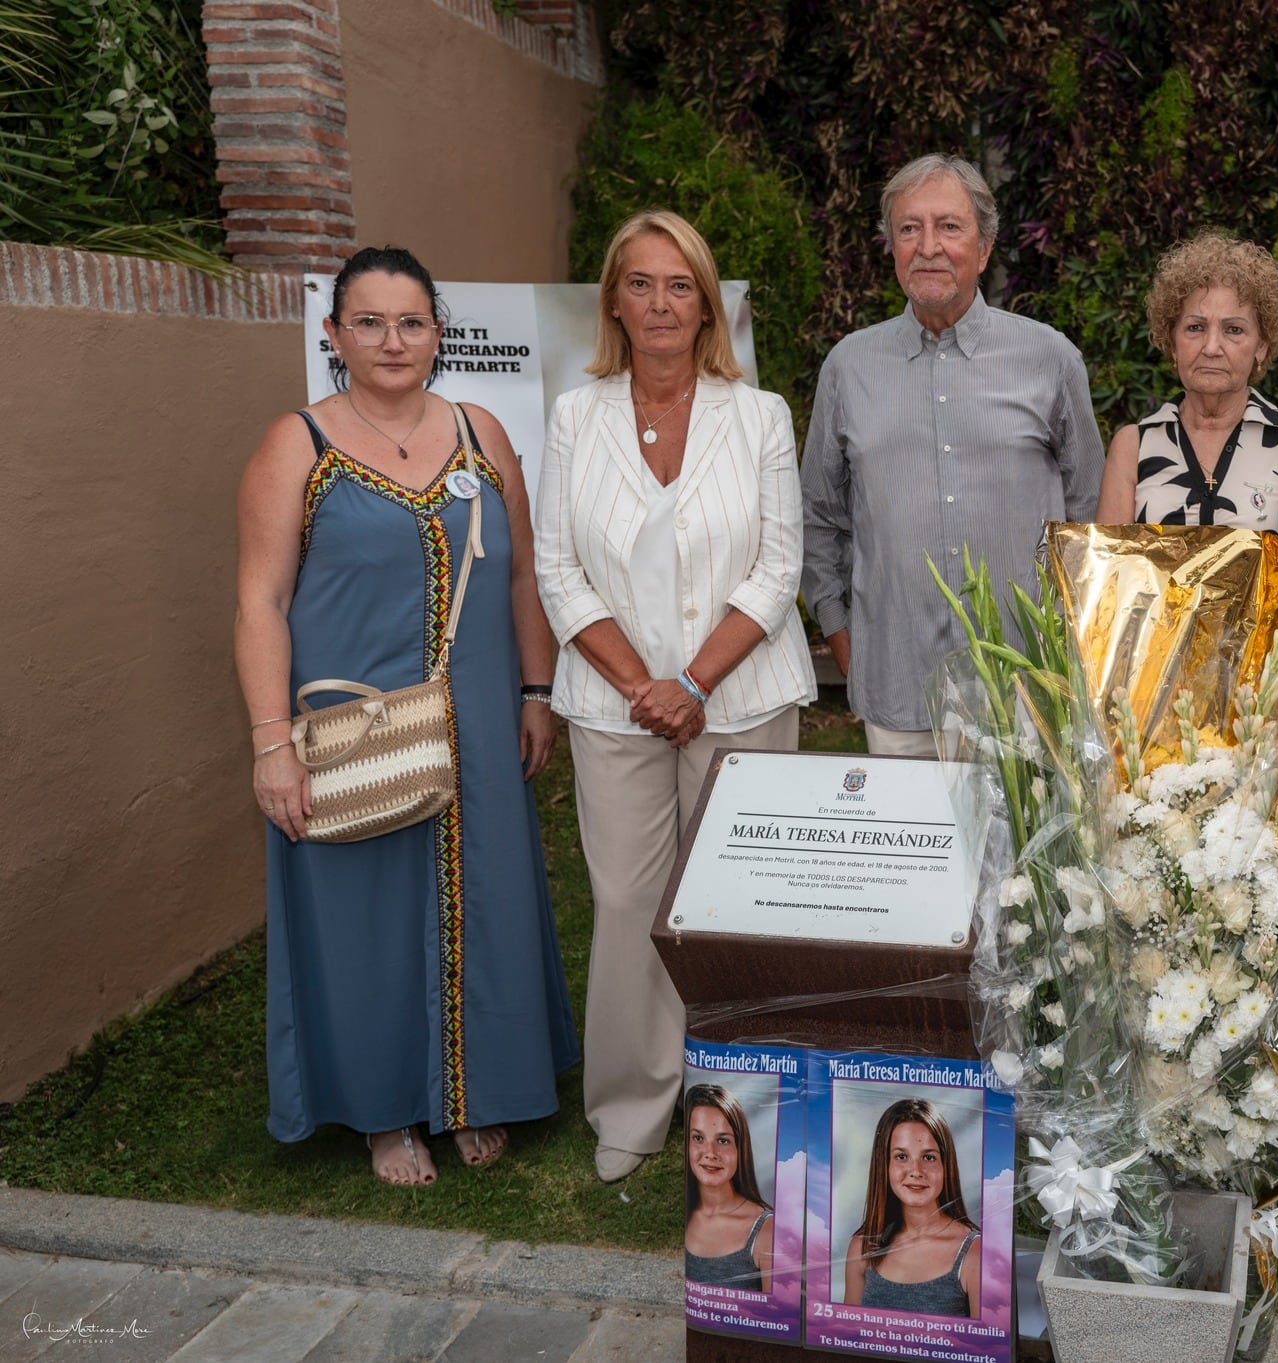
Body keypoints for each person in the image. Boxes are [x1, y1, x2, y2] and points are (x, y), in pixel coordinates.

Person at [236, 245, 579, 1188]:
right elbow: (259, 601)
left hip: (473, 718)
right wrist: (273, 746)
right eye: (371, 322)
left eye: (413, 321)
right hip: (356, 730)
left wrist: (536, 693)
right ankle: (389, 1114)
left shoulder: (481, 431)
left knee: (488, 898)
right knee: (367, 914)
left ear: (439, 333)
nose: (393, 340)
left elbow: (520, 574)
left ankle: (479, 1091)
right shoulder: (294, 444)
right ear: (334, 334)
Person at [536, 211, 816, 1184]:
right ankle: (633, 1104)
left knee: (736, 906)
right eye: (641, 283)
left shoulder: (761, 414)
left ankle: (740, 1102)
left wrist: (694, 681)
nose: (660, 302)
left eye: (680, 284)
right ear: (613, 298)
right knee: (625, 901)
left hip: (739, 695)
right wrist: (642, 686)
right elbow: (558, 569)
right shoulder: (576, 415)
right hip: (614, 703)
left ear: (707, 305)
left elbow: (778, 566)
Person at [801, 154, 1104, 757]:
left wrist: (1069, 652)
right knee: (902, 855)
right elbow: (819, 518)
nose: (928, 246)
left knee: (1024, 854)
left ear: (985, 249)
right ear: (891, 247)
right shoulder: (849, 367)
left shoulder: (1051, 360)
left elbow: (1089, 515)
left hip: (1022, 692)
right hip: (895, 687)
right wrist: (842, 637)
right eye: (909, 228)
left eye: (949, 227)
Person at [1095, 232, 1278, 557]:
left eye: (1233, 330)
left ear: (1261, 346)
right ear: (1172, 341)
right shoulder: (1133, 445)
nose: (1211, 348)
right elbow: (1112, 581)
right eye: (1195, 328)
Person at [844, 1098, 980, 1317]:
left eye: (928, 1157)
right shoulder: (862, 1247)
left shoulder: (975, 1253)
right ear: (883, 1165)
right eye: (901, 1157)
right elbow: (847, 1337)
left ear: (946, 1165)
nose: (916, 1170)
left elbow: (985, 1347)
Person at [683, 1084, 774, 1292]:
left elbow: (778, 1318)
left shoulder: (766, 1231)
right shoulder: (685, 1213)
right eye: (698, 1138)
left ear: (740, 1149)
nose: (710, 1152)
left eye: (723, 1140)